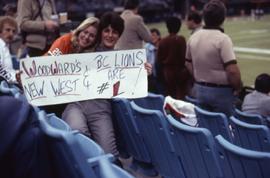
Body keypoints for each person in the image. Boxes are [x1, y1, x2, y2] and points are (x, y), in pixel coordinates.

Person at [185, 0, 242, 116]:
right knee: (225, 127)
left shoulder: (193, 37)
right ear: (223, 18)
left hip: (199, 89)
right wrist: (238, 86)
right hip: (221, 92)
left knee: (206, 126)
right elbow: (232, 71)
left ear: (204, 17)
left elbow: (187, 64)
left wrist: (198, 78)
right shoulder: (223, 39)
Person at [157, 16, 190, 100]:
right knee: (180, 98)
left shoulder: (162, 41)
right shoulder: (181, 40)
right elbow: (184, 57)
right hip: (180, 73)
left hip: (167, 74)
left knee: (170, 97)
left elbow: (158, 60)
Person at [0, 16, 20, 84]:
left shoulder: (5, 46)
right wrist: (15, 78)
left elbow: (8, 70)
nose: (11, 34)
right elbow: (0, 71)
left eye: (13, 31)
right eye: (8, 30)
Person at [144, 28, 161, 93]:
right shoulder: (146, 47)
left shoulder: (162, 45)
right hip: (151, 76)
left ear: (159, 36)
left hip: (161, 76)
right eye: (150, 36)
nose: (152, 37)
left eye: (154, 35)